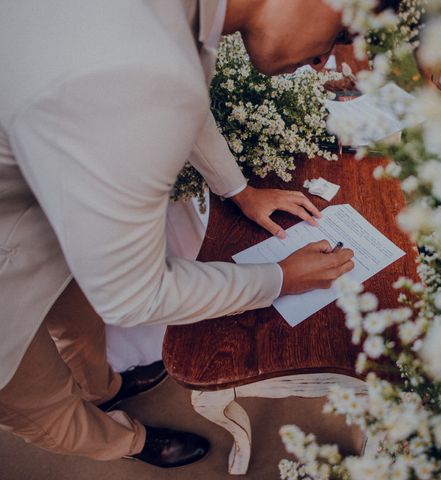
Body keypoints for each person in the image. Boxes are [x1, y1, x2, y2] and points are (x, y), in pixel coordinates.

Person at [0, 0, 398, 470]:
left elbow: (184, 101)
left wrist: (241, 190)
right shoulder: (136, 68)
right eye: (340, 34)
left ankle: (104, 386)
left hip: (46, 211)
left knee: (77, 322)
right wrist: (280, 280)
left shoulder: (175, 20)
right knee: (40, 405)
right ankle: (127, 441)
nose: (322, 61)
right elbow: (132, 298)